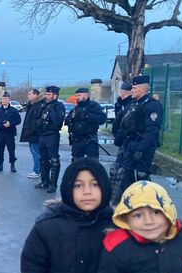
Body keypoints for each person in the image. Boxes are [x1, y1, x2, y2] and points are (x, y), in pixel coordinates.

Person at [112, 75, 163, 204]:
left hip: (144, 145)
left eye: (134, 88)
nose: (132, 90)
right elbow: (126, 125)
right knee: (123, 173)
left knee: (141, 176)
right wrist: (120, 141)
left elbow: (151, 131)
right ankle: (124, 203)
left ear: (142, 89)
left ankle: (151, 202)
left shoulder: (152, 106)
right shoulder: (135, 103)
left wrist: (141, 149)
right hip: (130, 143)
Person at [34, 86, 65, 193]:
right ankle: (44, 181)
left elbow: (57, 122)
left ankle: (53, 184)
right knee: (43, 159)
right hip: (42, 135)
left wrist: (51, 109)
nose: (46, 96)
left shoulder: (58, 106)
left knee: (54, 160)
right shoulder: (43, 105)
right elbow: (36, 118)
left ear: (55, 95)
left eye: (49, 94)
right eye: (46, 94)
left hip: (52, 135)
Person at [64, 88, 106, 160]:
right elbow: (68, 120)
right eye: (76, 96)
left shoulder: (94, 106)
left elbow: (102, 119)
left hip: (90, 139)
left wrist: (87, 116)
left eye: (79, 95)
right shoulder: (75, 109)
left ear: (86, 95)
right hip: (77, 140)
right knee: (76, 164)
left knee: (93, 164)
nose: (77, 97)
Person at [109, 82, 133, 205]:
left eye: (122, 93)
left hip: (129, 142)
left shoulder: (131, 105)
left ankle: (121, 200)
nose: (121, 94)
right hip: (123, 142)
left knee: (123, 173)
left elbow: (125, 126)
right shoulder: (122, 104)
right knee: (115, 171)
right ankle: (113, 200)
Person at [0, 91, 21, 172]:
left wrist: (10, 124)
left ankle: (12, 165)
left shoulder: (13, 110)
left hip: (10, 133)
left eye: (6, 98)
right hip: (0, 133)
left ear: (9, 99)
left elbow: (18, 120)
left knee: (11, 150)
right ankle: (0, 164)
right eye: (3, 98)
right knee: (0, 150)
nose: (4, 100)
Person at [19, 88, 43, 179]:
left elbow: (35, 121)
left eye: (30, 94)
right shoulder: (31, 105)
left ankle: (37, 171)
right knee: (34, 152)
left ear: (36, 95)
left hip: (35, 134)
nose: (28, 96)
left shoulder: (38, 105)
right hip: (31, 133)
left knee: (36, 153)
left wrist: (31, 130)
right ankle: (37, 170)